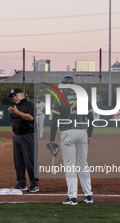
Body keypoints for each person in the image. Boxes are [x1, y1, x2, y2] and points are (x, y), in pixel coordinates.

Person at [49, 75, 94, 205]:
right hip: (82, 132)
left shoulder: (60, 98)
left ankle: (73, 197)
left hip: (67, 133)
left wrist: (52, 139)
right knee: (83, 164)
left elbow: (54, 121)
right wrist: (89, 135)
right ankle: (88, 195)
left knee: (70, 166)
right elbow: (91, 119)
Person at [8, 88, 39, 192]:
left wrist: (17, 112)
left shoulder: (29, 105)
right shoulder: (15, 107)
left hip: (28, 136)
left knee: (30, 160)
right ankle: (21, 183)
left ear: (22, 94)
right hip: (17, 136)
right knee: (18, 161)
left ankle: (34, 184)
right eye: (13, 97)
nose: (15, 98)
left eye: (16, 95)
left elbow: (31, 118)